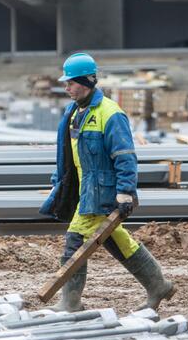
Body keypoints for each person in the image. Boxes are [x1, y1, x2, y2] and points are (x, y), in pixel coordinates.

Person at [39, 52, 177, 312]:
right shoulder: (73, 112)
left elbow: (125, 157)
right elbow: (69, 156)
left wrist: (125, 193)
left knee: (75, 240)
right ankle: (157, 285)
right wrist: (61, 183)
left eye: (71, 82)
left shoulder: (111, 114)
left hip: (102, 194)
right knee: (116, 240)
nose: (66, 87)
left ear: (88, 82)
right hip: (84, 191)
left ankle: (70, 302)